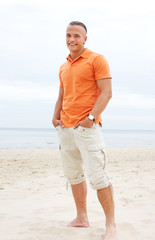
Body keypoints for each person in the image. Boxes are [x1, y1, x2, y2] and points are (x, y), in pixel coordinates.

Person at [52, 21, 118, 240]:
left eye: (77, 36)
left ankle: (111, 225)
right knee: (73, 175)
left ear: (85, 39)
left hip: (87, 128)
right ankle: (81, 217)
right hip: (66, 127)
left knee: (99, 177)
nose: (72, 39)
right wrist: (55, 116)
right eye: (69, 35)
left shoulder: (97, 59)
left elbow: (106, 92)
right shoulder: (63, 66)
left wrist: (90, 118)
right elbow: (62, 96)